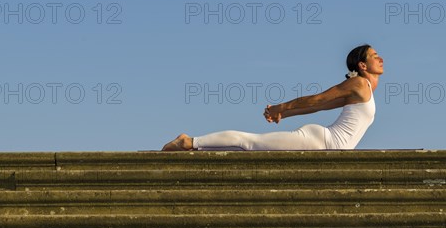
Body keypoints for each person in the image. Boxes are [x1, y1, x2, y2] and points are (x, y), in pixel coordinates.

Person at [161, 44, 383, 151]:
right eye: (374, 56)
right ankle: (189, 141)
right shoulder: (358, 83)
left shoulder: (363, 90)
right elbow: (318, 99)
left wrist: (285, 114)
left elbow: (318, 108)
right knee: (250, 143)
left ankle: (196, 149)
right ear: (362, 66)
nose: (380, 58)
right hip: (321, 142)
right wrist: (280, 107)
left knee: (249, 148)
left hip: (325, 144)